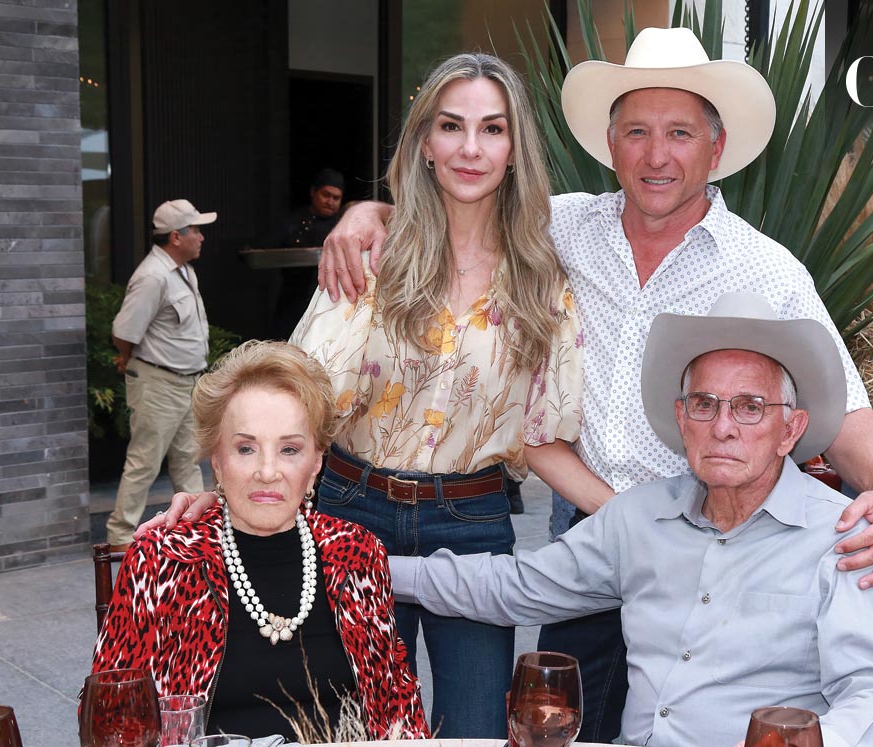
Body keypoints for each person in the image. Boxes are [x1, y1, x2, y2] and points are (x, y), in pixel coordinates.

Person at [317, 28, 873, 741]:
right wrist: (364, 215)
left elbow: (844, 409)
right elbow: (456, 210)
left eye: (679, 133)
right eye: (636, 131)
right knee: (570, 719)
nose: (656, 155)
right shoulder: (557, 227)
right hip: (595, 534)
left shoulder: (768, 270)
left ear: (715, 149)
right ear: (610, 142)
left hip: (717, 528)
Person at [144, 53, 583, 738]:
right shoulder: (369, 251)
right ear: (424, 145)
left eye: (492, 129)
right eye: (451, 126)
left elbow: (538, 435)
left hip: (472, 526)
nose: (471, 147)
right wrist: (233, 483)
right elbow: (296, 395)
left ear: (515, 148)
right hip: (353, 514)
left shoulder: (540, 277)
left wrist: (647, 519)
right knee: (353, 728)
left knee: (474, 730)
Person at [390, 292, 873, 747]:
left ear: (791, 430)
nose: (723, 427)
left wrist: (808, 740)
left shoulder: (847, 535)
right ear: (681, 419)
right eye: (705, 404)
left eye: (750, 407)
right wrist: (372, 567)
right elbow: (514, 587)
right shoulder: (639, 518)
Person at [92, 341, 429, 740]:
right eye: (246, 448)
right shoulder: (164, 559)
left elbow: (398, 704)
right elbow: (109, 716)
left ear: (317, 461)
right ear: (216, 459)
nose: (267, 472)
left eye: (289, 449)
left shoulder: (356, 552)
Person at [105, 199, 215, 551]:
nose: (201, 237)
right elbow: (124, 331)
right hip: (158, 382)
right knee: (144, 461)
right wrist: (128, 360)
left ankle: (200, 528)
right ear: (175, 236)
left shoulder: (181, 269)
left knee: (188, 458)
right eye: (195, 230)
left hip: (187, 382)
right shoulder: (153, 276)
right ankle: (121, 536)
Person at [269, 169, 346, 339]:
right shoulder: (292, 222)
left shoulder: (345, 225)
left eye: (336, 198)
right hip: (294, 297)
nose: (330, 202)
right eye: (326, 195)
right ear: (313, 192)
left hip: (330, 298)